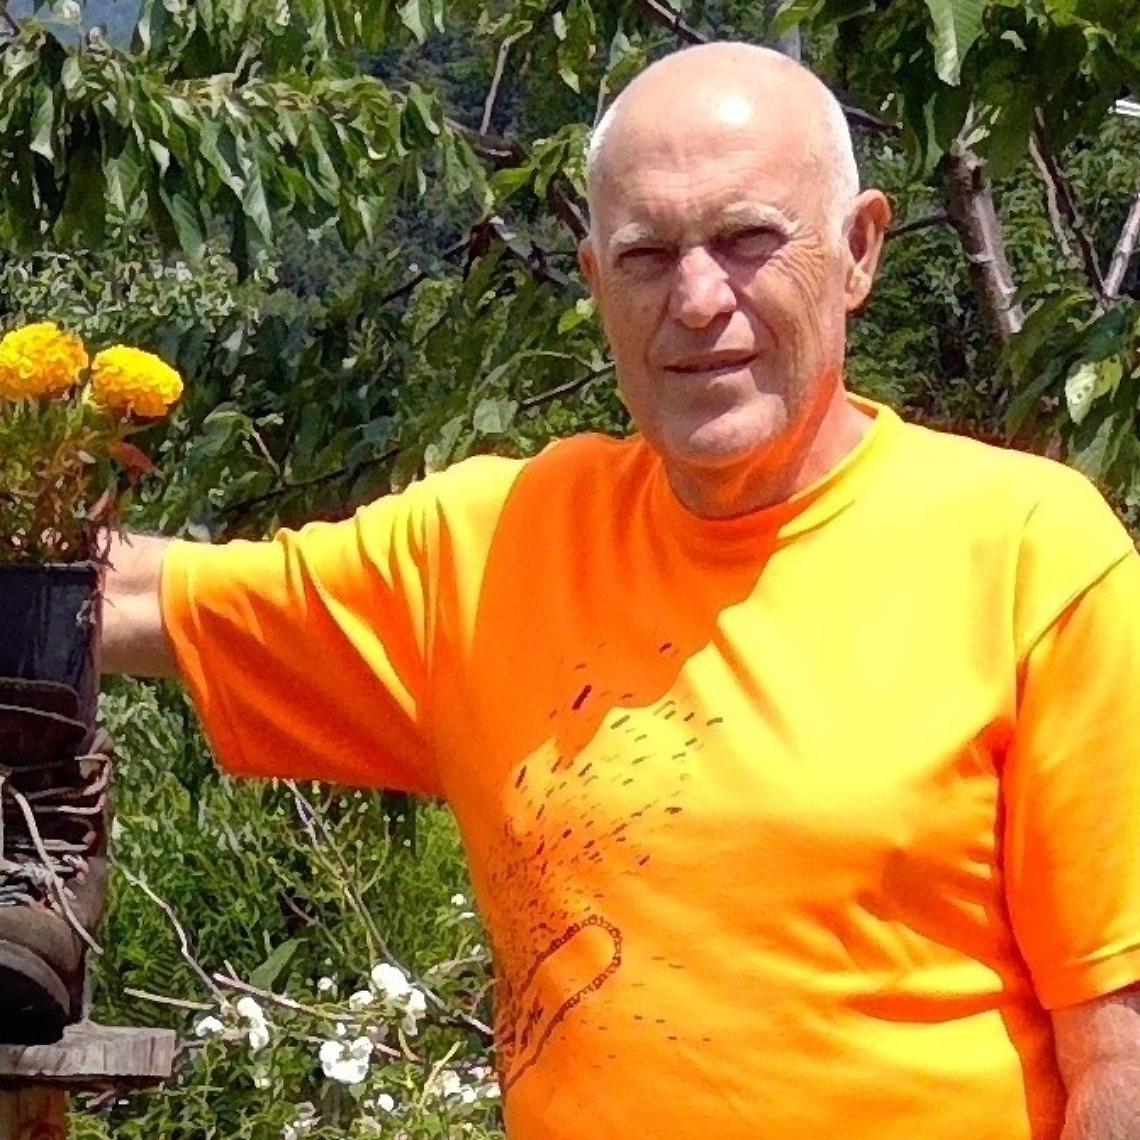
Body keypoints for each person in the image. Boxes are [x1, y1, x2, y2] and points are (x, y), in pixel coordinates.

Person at [99, 42, 1140, 1140]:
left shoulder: (1029, 553)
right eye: (648, 256)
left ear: (858, 250)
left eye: (748, 240)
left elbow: (1119, 1046)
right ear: (597, 283)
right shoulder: (491, 551)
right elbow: (131, 600)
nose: (698, 301)